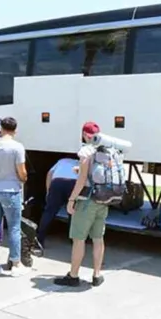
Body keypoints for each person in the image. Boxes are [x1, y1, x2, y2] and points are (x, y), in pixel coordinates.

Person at [55, 121, 109, 287]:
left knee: (79, 239)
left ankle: (73, 275)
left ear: (85, 135)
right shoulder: (106, 151)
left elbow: (82, 180)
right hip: (103, 200)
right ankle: (97, 275)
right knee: (98, 238)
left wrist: (71, 199)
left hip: (86, 201)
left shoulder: (86, 151)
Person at [0, 117, 28, 278]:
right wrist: (23, 178)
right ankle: (15, 264)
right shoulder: (17, 147)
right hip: (11, 190)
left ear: (0, 128)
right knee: (14, 228)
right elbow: (21, 172)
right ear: (15, 130)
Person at [37, 154, 79, 248]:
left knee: (49, 212)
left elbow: (49, 173)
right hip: (73, 183)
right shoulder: (80, 162)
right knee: (72, 212)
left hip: (57, 182)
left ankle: (40, 240)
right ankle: (73, 239)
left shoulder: (61, 161)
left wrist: (48, 191)